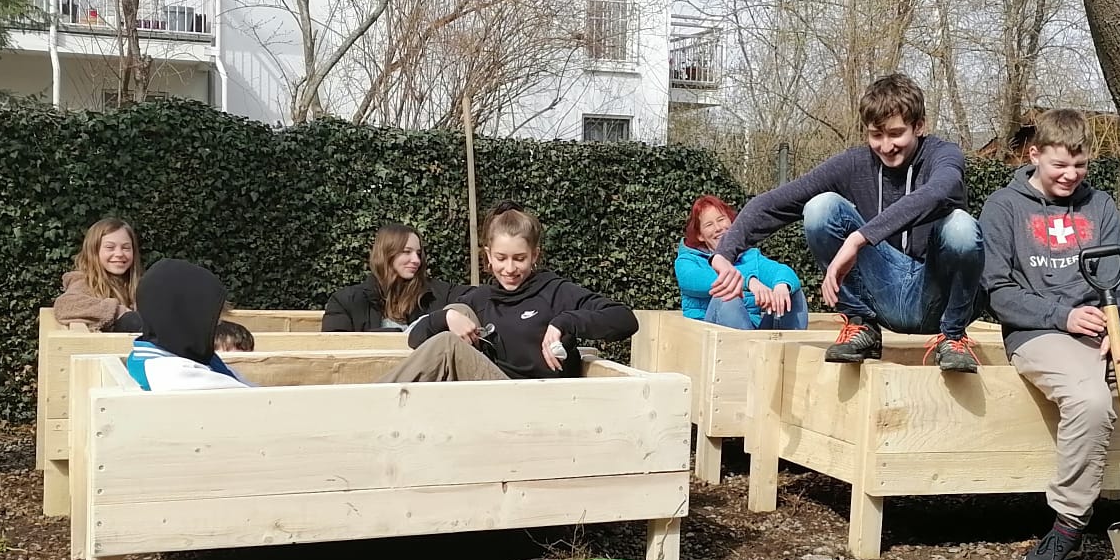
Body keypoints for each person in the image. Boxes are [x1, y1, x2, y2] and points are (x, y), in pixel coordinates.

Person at [980, 108, 1120, 560]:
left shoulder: (1101, 206)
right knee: (1090, 400)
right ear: (1034, 155)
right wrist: (1064, 315)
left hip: (1105, 332)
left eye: (1080, 165)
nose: (1070, 175)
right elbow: (997, 291)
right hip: (1040, 332)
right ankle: (1070, 524)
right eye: (1059, 164)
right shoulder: (1003, 207)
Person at [707, 73, 984, 369]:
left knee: (961, 227)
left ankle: (953, 337)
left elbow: (940, 191)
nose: (886, 146)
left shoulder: (944, 155)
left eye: (896, 134)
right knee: (821, 207)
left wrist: (858, 238)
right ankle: (861, 324)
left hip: (935, 294)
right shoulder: (854, 164)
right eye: (876, 135)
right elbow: (773, 202)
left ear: (919, 126)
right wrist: (724, 254)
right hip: (883, 288)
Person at [390, 205, 638, 382]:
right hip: (494, 399)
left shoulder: (554, 291)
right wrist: (446, 317)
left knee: (447, 344)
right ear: (488, 255)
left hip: (543, 402)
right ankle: (376, 403)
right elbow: (416, 340)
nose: (509, 269)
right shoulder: (481, 298)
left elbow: (625, 319)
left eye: (519, 258)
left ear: (534, 255)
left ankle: (372, 405)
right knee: (455, 319)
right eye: (501, 258)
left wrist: (565, 322)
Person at [675, 195, 808, 331]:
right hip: (709, 335)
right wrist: (749, 281)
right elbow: (703, 280)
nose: (718, 228)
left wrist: (781, 285)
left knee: (791, 289)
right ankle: (744, 345)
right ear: (700, 235)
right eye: (709, 225)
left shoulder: (749, 256)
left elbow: (782, 271)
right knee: (726, 295)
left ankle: (790, 344)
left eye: (721, 220)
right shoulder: (687, 261)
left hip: (753, 332)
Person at [124, 260, 252, 392]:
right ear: (187, 317)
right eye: (213, 322)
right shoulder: (171, 373)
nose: (216, 328)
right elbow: (253, 398)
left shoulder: (161, 353)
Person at [322, 222, 471, 333]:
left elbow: (477, 295)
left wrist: (450, 315)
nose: (416, 260)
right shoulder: (347, 301)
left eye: (418, 253)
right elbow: (335, 349)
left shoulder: (433, 293)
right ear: (386, 254)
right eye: (407, 252)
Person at [55, 218, 143, 331]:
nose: (119, 254)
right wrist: (117, 310)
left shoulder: (140, 284)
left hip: (140, 341)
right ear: (94, 251)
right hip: (106, 342)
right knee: (132, 320)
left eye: (126, 248)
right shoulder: (85, 281)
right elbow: (65, 306)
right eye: (110, 247)